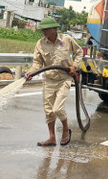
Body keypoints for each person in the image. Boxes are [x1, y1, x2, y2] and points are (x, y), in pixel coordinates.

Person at [25, 17, 83, 146]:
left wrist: (75, 66)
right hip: (49, 80)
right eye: (42, 29)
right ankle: (51, 138)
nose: (44, 31)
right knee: (49, 111)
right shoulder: (40, 44)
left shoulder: (66, 40)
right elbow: (37, 63)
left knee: (58, 109)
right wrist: (31, 72)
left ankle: (66, 129)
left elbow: (79, 52)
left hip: (64, 79)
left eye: (46, 29)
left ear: (54, 29)